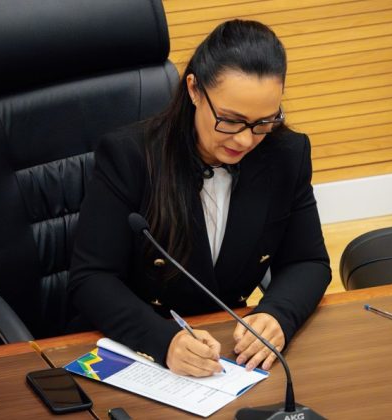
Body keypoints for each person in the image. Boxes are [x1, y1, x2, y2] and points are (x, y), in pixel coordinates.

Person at [68, 19, 331, 377]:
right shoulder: (130, 156)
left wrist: (278, 314)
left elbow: (308, 261)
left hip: (227, 350)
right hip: (136, 347)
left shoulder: (285, 154)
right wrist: (164, 341)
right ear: (194, 89)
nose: (245, 140)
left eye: (263, 122)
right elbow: (91, 279)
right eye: (230, 120)